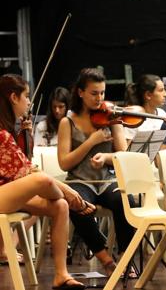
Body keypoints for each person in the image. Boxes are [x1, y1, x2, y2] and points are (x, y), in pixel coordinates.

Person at [0, 74, 89, 290]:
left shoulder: (11, 129)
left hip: (8, 193)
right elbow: (29, 173)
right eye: (26, 96)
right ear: (13, 97)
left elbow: (24, 166)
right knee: (42, 181)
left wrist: (25, 137)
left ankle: (61, 275)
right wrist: (67, 189)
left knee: (60, 205)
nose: (29, 102)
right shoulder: (1, 132)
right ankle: (74, 200)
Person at [57, 68, 136, 277]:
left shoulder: (110, 117)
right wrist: (91, 142)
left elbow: (122, 154)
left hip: (106, 179)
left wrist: (106, 157)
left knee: (126, 200)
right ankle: (106, 259)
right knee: (76, 205)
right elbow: (64, 163)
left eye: (102, 93)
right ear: (81, 93)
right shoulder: (68, 122)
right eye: (94, 93)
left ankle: (127, 259)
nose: (99, 98)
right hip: (79, 181)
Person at [124, 74, 166, 141]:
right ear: (148, 95)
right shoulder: (133, 119)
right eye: (161, 90)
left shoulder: (162, 114)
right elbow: (127, 149)